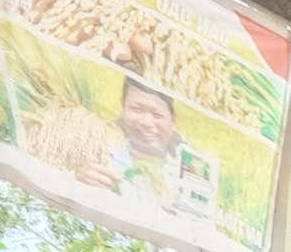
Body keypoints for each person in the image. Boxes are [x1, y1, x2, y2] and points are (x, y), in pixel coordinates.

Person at [76, 78, 215, 220]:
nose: (146, 123)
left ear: (173, 121)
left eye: (157, 115)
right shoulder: (96, 144)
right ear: (123, 106)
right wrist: (78, 182)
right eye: (137, 110)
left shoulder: (193, 171)